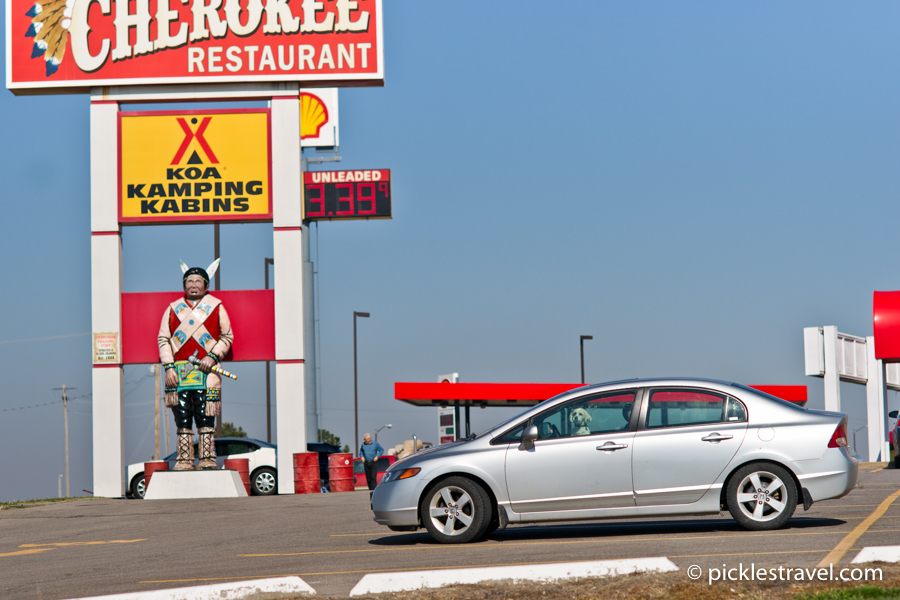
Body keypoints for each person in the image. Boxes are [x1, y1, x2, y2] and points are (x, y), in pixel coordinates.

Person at [158, 259, 234, 471]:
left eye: (197, 281)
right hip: (178, 372)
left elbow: (227, 336)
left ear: (206, 285)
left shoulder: (216, 307)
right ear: (183, 285)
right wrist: (169, 367)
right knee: (182, 417)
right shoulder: (173, 308)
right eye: (189, 280)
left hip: (206, 371)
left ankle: (207, 458)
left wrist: (213, 356)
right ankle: (184, 459)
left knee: (205, 416)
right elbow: (163, 338)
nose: (193, 285)